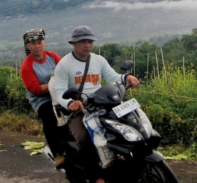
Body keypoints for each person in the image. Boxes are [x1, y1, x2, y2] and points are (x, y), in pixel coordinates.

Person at [54, 26, 140, 183]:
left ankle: (124, 164)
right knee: (84, 138)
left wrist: (127, 77)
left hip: (102, 105)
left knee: (128, 127)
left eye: (90, 41)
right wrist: (71, 103)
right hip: (80, 111)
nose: (87, 45)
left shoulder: (98, 60)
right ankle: (96, 177)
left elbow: (113, 76)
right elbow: (59, 91)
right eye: (83, 42)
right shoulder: (64, 64)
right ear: (73, 43)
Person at [19, 28, 66, 168]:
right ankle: (58, 155)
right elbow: (35, 89)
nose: (37, 46)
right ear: (28, 46)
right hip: (42, 100)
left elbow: (65, 70)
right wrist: (53, 84)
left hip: (59, 94)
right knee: (51, 118)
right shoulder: (27, 66)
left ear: (44, 43)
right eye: (33, 43)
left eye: (39, 42)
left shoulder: (52, 56)